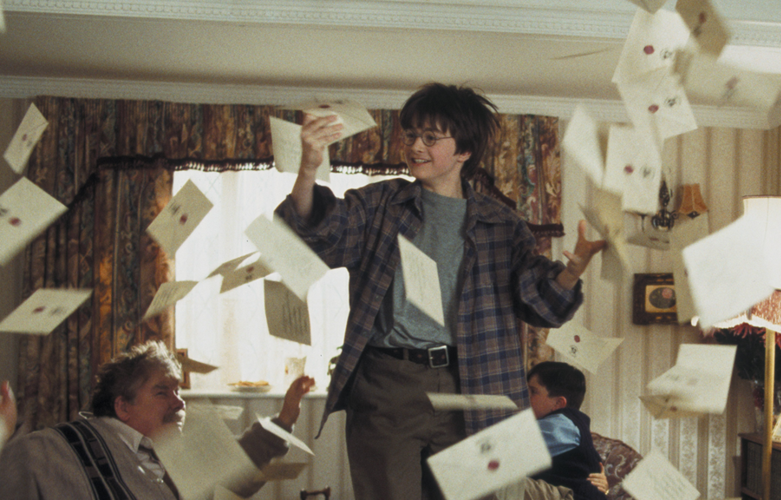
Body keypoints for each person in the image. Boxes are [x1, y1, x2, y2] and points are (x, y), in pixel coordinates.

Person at [277, 82, 606, 499]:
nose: (416, 146)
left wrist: (572, 271)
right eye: (411, 134)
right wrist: (308, 170)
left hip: (480, 382)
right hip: (388, 384)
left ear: (464, 150)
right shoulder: (380, 204)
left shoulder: (503, 225)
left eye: (431, 138)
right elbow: (317, 233)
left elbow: (541, 304)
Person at [0, 341, 316, 500]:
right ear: (123, 407)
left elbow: (236, 463)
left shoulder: (169, 450)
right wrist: (3, 431)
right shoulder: (59, 447)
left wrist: (285, 418)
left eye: (178, 391)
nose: (179, 402)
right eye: (162, 392)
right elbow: (16, 471)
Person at [526, 361, 608, 500]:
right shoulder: (568, 423)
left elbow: (510, 452)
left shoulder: (562, 425)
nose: (525, 397)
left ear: (558, 403)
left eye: (533, 392)